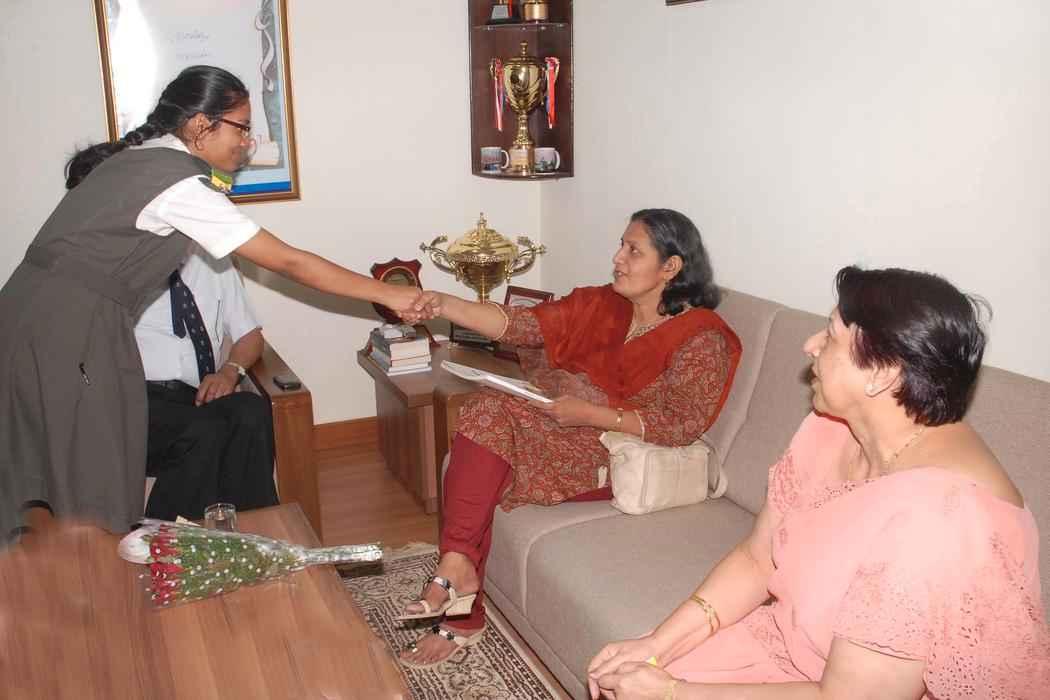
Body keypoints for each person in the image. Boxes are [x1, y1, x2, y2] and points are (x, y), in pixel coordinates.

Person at [0, 65, 429, 542]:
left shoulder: (138, 161)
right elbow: (290, 262)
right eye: (241, 128)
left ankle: (158, 557)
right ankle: (124, 570)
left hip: (40, 317)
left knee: (60, 475)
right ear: (201, 125)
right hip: (67, 327)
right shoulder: (175, 181)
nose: (246, 141)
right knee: (89, 483)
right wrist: (386, 292)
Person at [587, 267, 1050, 700]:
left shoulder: (939, 519)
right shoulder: (831, 426)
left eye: (830, 336)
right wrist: (657, 644)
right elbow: (758, 558)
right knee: (622, 676)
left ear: (882, 373)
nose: (810, 345)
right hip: (790, 650)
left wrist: (674, 692)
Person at [398, 208, 743, 669]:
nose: (618, 258)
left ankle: (461, 605)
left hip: (621, 452)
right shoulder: (604, 305)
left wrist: (590, 413)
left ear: (671, 266)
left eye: (633, 250)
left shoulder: (701, 337)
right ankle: (457, 567)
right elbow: (522, 324)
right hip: (568, 426)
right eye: (620, 245)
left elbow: (682, 422)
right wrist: (441, 303)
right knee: (485, 412)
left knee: (485, 460)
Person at [135, 246, 278, 520]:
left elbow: (250, 336)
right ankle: (166, 534)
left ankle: (259, 526)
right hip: (139, 400)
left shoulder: (216, 261)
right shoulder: (127, 262)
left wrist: (229, 372)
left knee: (252, 411)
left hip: (196, 398)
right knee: (207, 429)